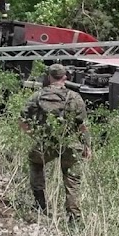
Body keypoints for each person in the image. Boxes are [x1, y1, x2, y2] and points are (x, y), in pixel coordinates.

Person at [19, 64, 91, 223]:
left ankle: (40, 205)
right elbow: (83, 125)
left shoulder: (37, 96)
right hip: (71, 145)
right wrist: (87, 146)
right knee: (72, 181)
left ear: (49, 77)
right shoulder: (74, 97)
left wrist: (35, 136)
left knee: (35, 162)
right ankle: (74, 219)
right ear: (65, 77)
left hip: (47, 144)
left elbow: (22, 121)